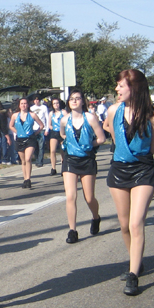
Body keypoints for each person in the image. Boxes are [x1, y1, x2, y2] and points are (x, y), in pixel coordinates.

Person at [103, 69, 154, 297]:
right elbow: (116, 141)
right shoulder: (113, 110)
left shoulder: (153, 116)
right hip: (119, 171)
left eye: (121, 85)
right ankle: (135, 262)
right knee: (124, 224)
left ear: (134, 88)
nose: (117, 89)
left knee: (137, 223)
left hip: (143, 171)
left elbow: (153, 147)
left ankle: (134, 275)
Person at [60, 89, 105, 244]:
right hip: (70, 160)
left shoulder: (91, 118)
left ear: (83, 101)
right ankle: (72, 230)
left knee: (89, 197)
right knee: (71, 196)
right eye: (71, 99)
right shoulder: (64, 120)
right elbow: (62, 134)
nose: (74, 101)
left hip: (87, 160)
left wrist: (87, 145)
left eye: (77, 98)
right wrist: (70, 143)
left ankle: (96, 217)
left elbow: (101, 138)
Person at [10, 97, 44, 188]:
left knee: (28, 158)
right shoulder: (15, 115)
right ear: (19, 105)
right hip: (19, 140)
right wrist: (17, 132)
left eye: (25, 103)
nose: (23, 105)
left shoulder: (32, 115)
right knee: (23, 160)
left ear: (28, 105)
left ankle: (28, 179)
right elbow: (11, 126)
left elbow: (41, 125)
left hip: (30, 139)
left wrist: (35, 133)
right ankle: (25, 179)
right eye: (22, 103)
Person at [48, 97, 66, 175]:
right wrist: (52, 128)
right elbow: (49, 124)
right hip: (54, 133)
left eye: (57, 103)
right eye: (54, 103)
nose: (56, 105)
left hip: (62, 132)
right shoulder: (51, 113)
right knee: (52, 150)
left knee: (62, 150)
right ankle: (53, 167)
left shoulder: (63, 112)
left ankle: (63, 167)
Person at [30, 96, 50, 167]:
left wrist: (47, 129)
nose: (36, 101)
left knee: (41, 146)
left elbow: (47, 118)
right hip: (34, 129)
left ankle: (40, 161)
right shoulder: (31, 108)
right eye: (35, 100)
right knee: (35, 146)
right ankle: (37, 159)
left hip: (42, 128)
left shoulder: (44, 107)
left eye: (37, 99)